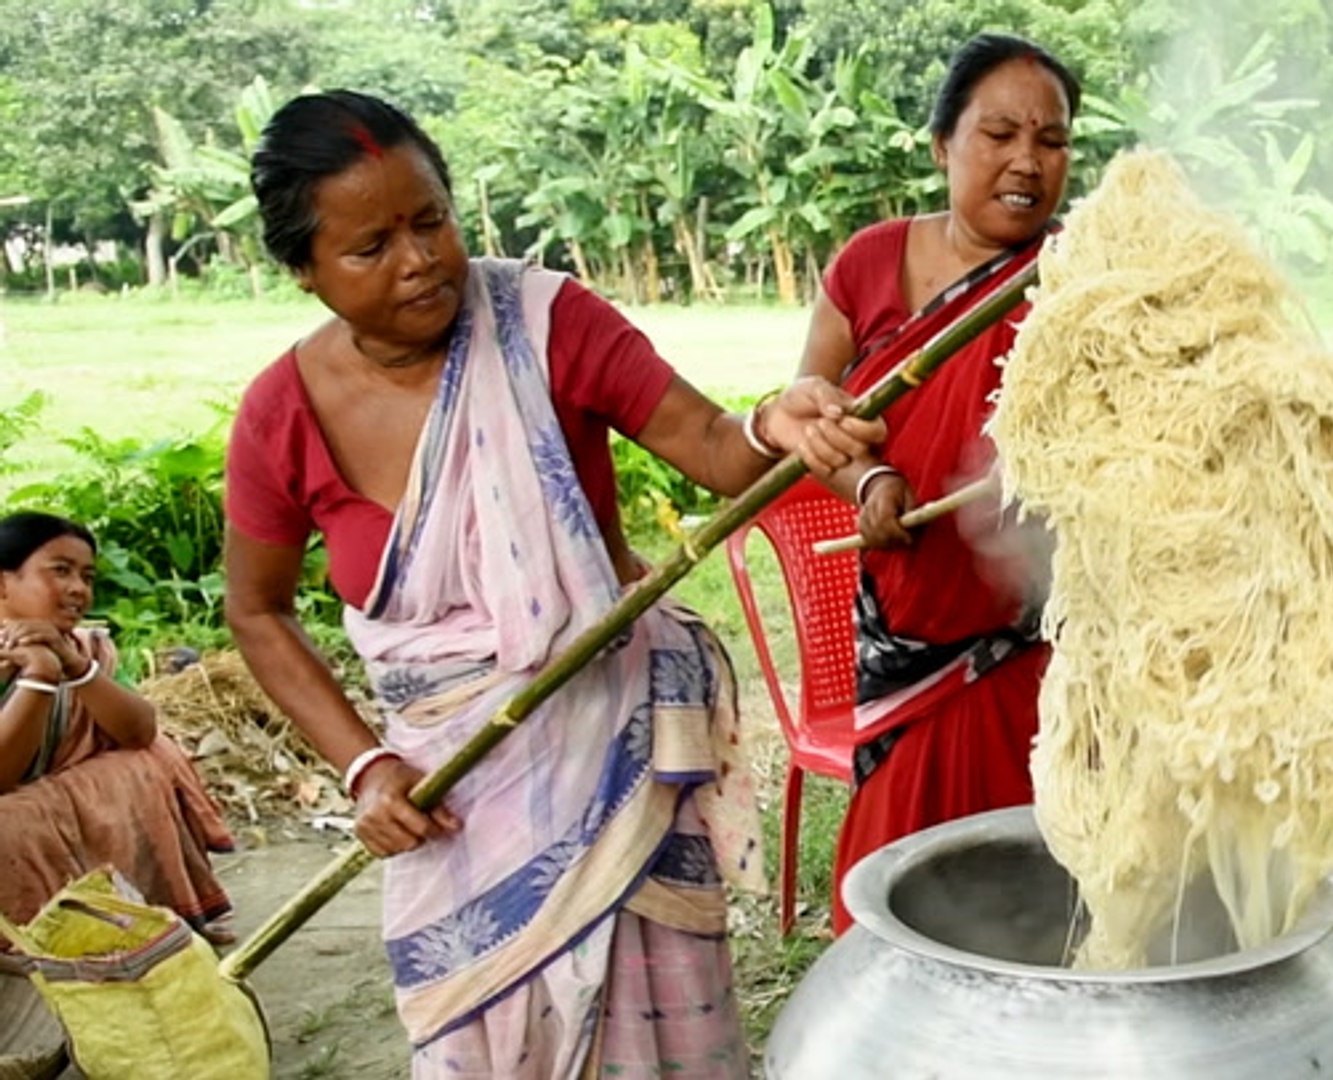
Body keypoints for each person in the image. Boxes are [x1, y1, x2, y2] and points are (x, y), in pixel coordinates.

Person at [222, 90, 882, 1078]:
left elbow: (709, 444)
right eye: (371, 246)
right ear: (304, 271)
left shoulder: (544, 321)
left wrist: (772, 428)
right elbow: (256, 609)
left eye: (431, 220)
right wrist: (364, 768)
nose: (420, 260)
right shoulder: (282, 414)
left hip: (615, 763)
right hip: (451, 803)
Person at [796, 33, 1080, 934]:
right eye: (998, 135)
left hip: (1051, 636)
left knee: (1051, 897)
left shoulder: (1092, 276)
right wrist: (870, 476)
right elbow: (815, 420)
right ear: (942, 146)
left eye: (1052, 141)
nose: (1027, 162)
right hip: (919, 630)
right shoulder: (869, 265)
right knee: (907, 896)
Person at [0, 511, 234, 940]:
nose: (78, 589)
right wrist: (38, 675)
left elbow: (140, 730)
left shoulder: (85, 647)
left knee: (148, 760)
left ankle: (146, 917)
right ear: (2, 583)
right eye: (60, 571)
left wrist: (72, 666)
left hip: (40, 792)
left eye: (87, 576)